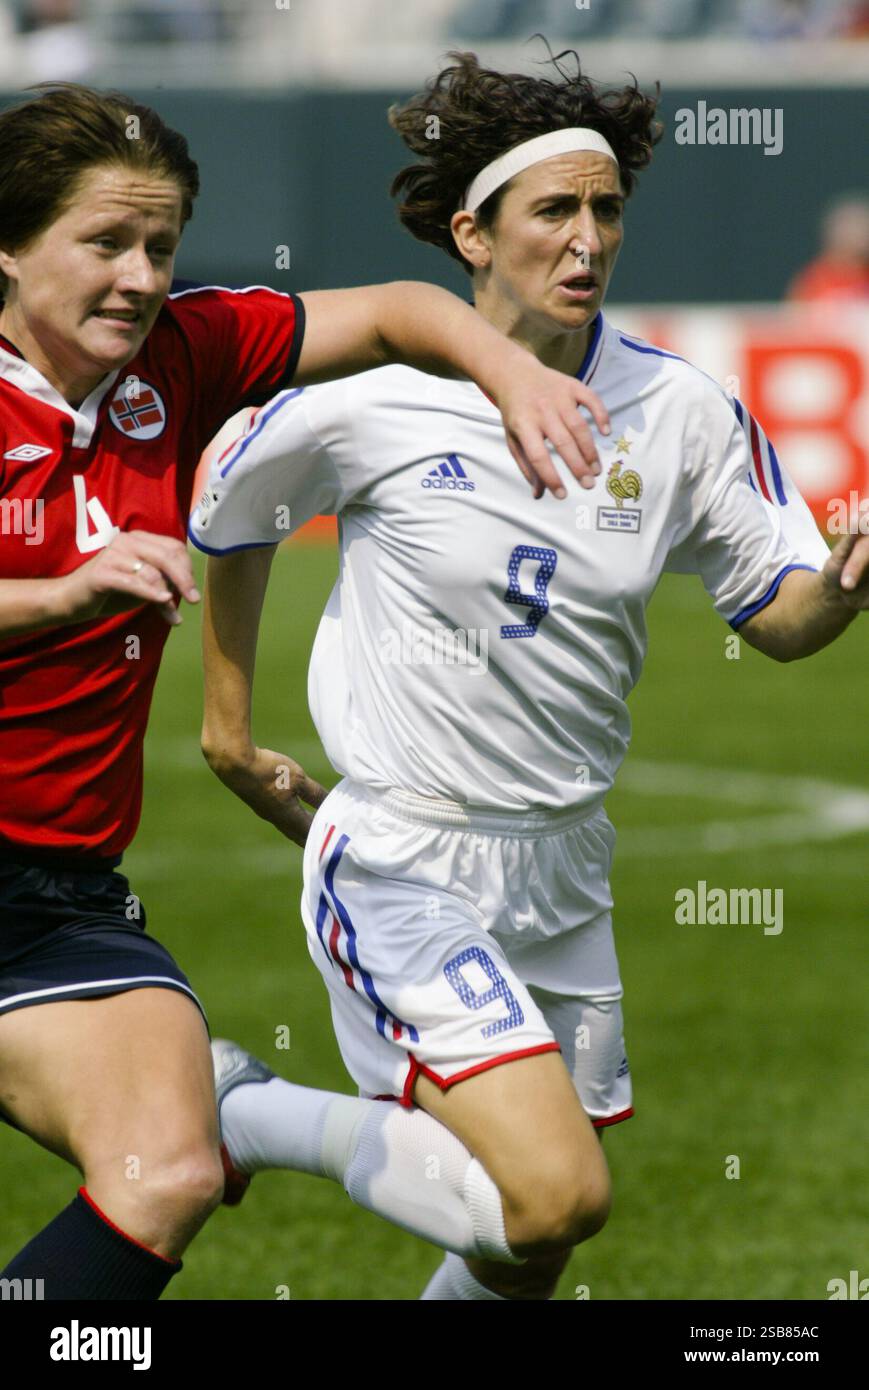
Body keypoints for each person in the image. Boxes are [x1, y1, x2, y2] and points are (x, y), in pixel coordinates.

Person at [191, 50, 869, 1301]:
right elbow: (232, 503)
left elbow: (771, 616)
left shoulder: (678, 412)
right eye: (552, 211)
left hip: (563, 858)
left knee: (526, 1251)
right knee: (554, 1193)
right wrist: (227, 730)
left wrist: (840, 583)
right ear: (472, 232)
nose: (587, 239)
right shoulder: (376, 394)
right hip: (403, 853)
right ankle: (248, 1115)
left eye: (604, 209)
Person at [0, 79, 610, 1302]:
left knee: (166, 1167)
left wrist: (507, 372)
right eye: (103, 242)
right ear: (8, 248)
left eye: (159, 246)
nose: (138, 276)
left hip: (57, 893)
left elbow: (393, 310)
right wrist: (62, 596)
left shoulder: (178, 354)